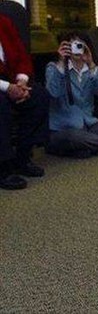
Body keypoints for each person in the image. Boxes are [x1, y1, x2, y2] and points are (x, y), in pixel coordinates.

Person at [0, 13, 49, 190]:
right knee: (1, 105)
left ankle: (23, 156)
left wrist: (21, 81)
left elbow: (22, 55)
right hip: (3, 86)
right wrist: (8, 88)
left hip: (12, 80)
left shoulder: (4, 22)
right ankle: (4, 166)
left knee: (40, 96)